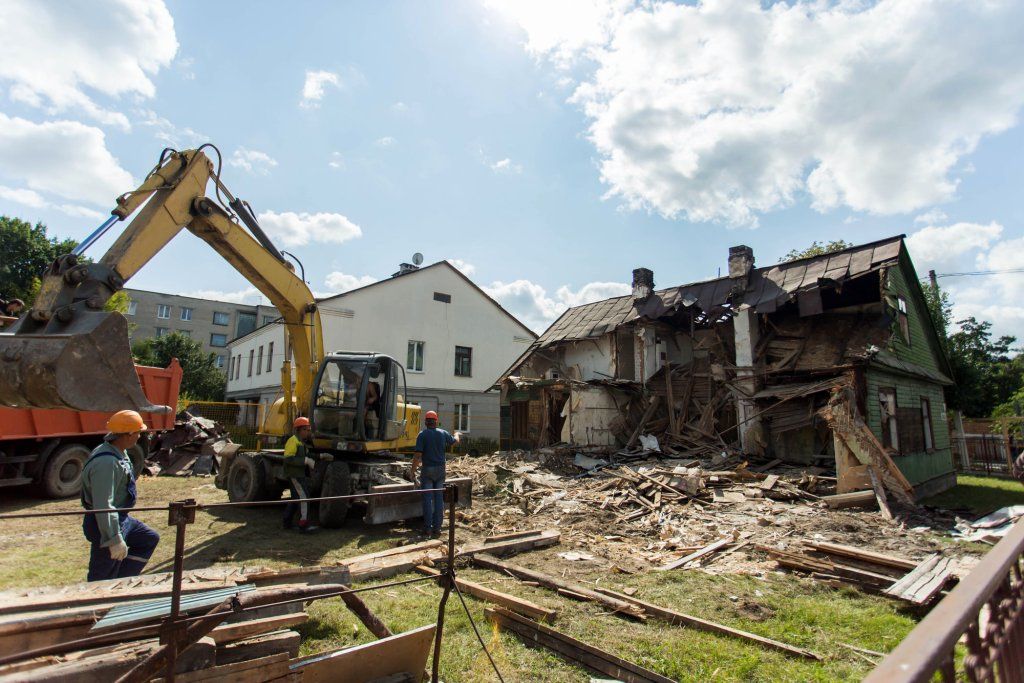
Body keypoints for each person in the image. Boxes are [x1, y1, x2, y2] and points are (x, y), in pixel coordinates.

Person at [81, 410, 160, 582]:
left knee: (148, 539)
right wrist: (113, 539)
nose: (140, 436)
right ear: (129, 434)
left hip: (121, 518)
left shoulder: (119, 452)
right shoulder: (107, 463)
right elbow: (103, 505)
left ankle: (120, 582)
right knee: (101, 577)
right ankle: (95, 604)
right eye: (139, 432)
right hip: (104, 523)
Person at [411, 410, 460, 538]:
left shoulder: (422, 435)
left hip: (427, 470)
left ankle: (427, 529)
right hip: (440, 470)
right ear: (436, 422)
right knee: (439, 499)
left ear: (426, 422)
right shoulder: (443, 433)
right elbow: (455, 441)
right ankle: (437, 529)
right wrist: (457, 434)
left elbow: (417, 456)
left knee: (427, 499)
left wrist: (412, 471)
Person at [283, 417, 317, 532]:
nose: (308, 432)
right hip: (295, 475)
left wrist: (322, 457)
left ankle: (287, 522)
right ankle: (303, 524)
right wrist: (305, 461)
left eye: (309, 429)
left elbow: (308, 455)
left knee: (295, 498)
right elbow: (288, 459)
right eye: (306, 429)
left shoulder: (301, 442)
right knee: (304, 497)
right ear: (299, 430)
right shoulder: (293, 441)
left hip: (298, 474)